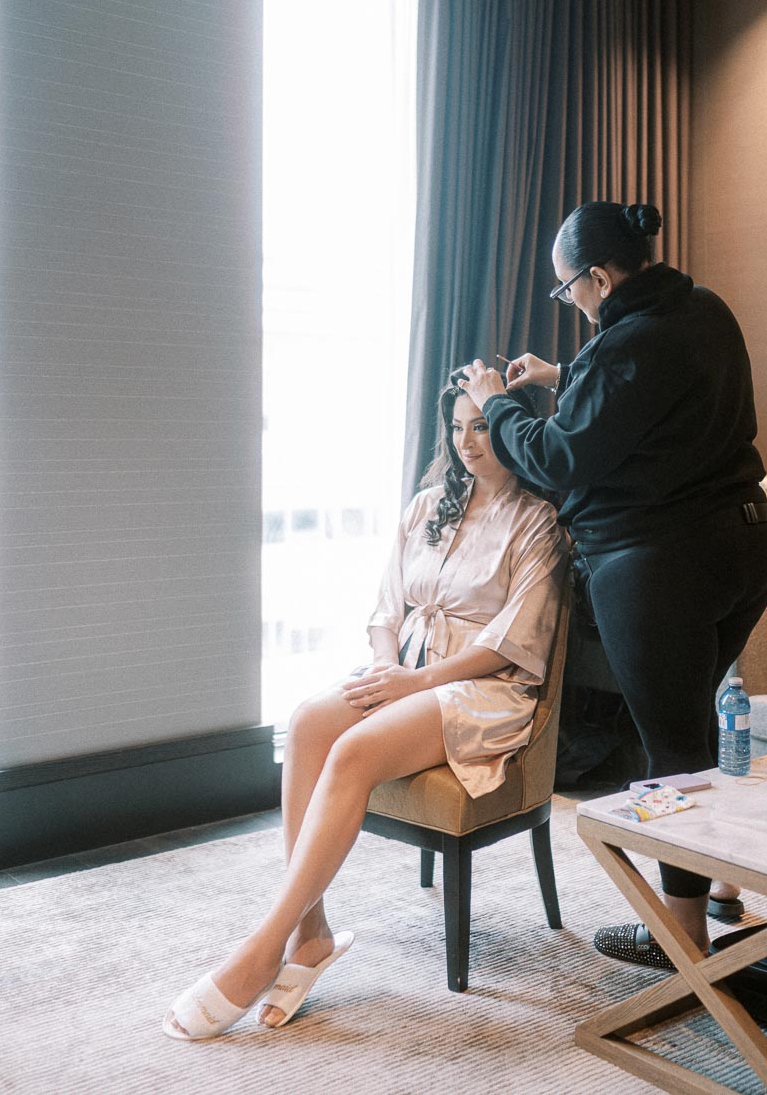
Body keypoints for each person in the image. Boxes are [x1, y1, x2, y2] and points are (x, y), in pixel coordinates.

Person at [163, 375, 567, 1039]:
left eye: (483, 425)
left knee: (352, 752)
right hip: (408, 671)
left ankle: (260, 950)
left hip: (481, 688)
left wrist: (417, 682)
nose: (469, 441)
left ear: (511, 425)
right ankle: (310, 930)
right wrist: (390, 668)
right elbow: (386, 609)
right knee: (308, 723)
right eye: (459, 427)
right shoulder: (427, 507)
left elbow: (511, 644)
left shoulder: (537, 522)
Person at [459, 201, 767, 970]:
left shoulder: (626, 346)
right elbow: (652, 396)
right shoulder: (703, 310)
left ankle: (682, 936)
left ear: (598, 277)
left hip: (662, 566)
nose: (569, 303)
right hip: (747, 546)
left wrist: (496, 403)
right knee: (695, 727)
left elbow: (560, 461)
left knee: (669, 745)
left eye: (568, 289)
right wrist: (564, 376)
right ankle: (721, 890)